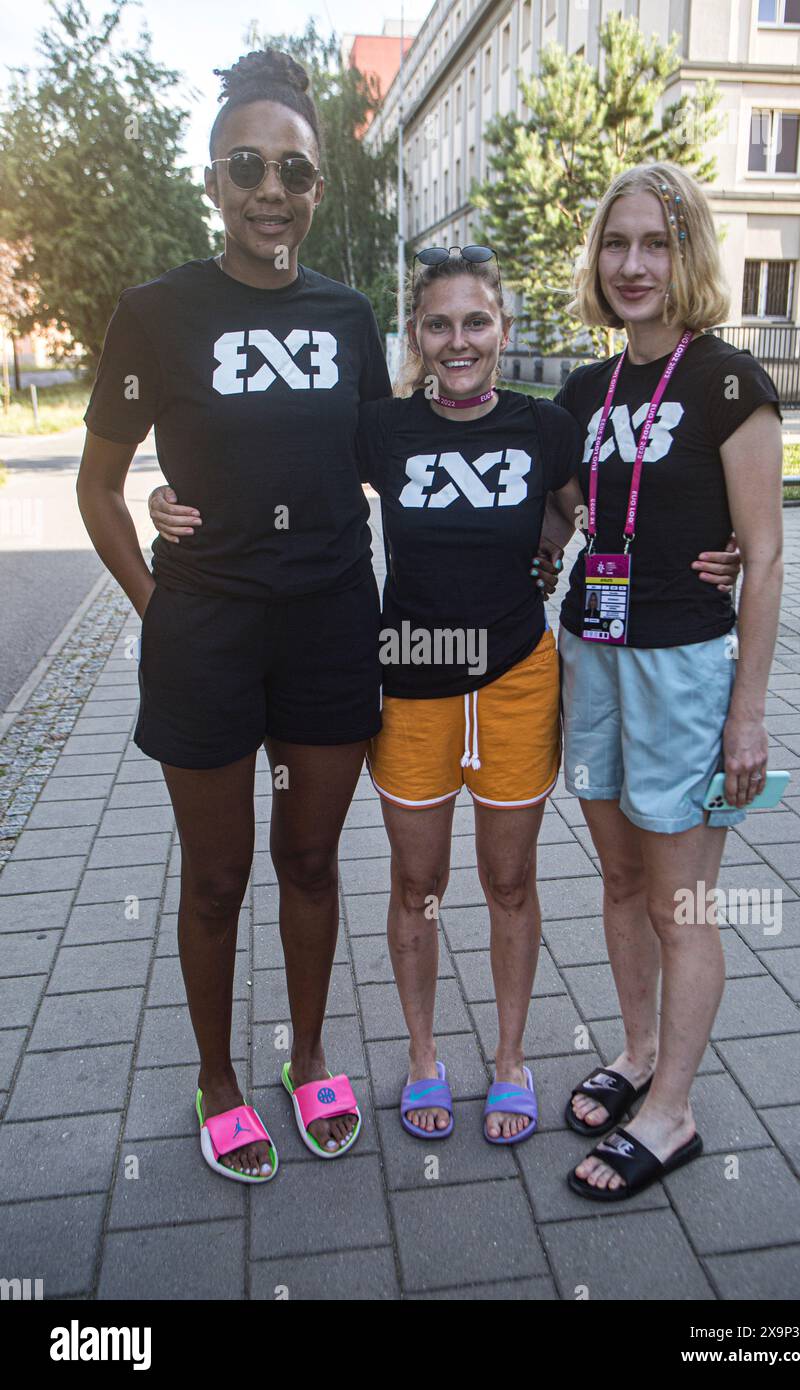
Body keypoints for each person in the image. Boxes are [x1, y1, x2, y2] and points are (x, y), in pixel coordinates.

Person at [152, 245, 739, 1145]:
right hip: (413, 680)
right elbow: (286, 469)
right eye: (438, 324)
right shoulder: (380, 429)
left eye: (476, 321)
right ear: (415, 337)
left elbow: (616, 505)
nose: (458, 340)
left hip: (515, 680)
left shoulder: (547, 427)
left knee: (509, 879)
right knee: (417, 880)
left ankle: (508, 1062)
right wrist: (174, 496)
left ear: (502, 328)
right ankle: (423, 1057)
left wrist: (725, 543)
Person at [77, 50, 391, 1180]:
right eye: (249, 165)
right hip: (204, 631)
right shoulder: (156, 313)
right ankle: (216, 1074)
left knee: (310, 861)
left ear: (317, 187)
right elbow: (98, 488)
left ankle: (308, 1058)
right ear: (213, 179)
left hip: (325, 627)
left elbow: (390, 460)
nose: (273, 187)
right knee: (216, 877)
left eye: (294, 169)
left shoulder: (350, 315)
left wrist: (555, 512)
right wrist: (159, 604)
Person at [540, 162, 783, 1200]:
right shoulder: (584, 390)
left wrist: (747, 716)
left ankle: (673, 1112)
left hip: (683, 668)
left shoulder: (729, 382)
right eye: (615, 244)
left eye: (654, 243)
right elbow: (557, 509)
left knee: (682, 904)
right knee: (619, 880)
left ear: (686, 255)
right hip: (588, 656)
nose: (631, 264)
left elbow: (764, 556)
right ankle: (637, 1055)